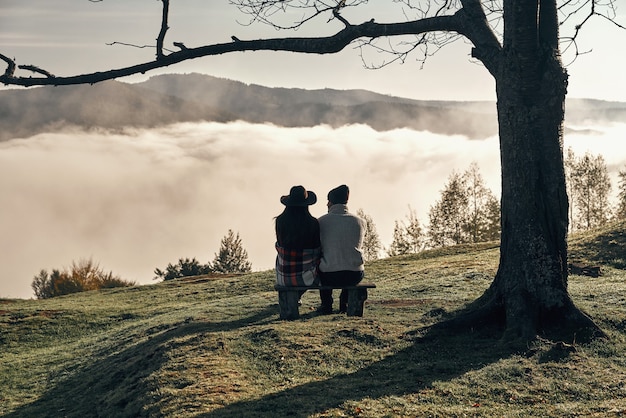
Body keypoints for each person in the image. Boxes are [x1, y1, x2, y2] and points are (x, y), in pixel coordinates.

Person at [317, 184, 365, 314]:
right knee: (346, 264)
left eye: (328, 201)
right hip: (355, 274)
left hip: (329, 275)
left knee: (322, 267)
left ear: (330, 202)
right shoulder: (359, 222)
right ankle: (344, 302)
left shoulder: (321, 222)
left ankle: (326, 304)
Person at [274, 185, 321, 291]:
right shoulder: (313, 223)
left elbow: (280, 243)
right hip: (307, 279)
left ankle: (291, 301)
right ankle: (326, 303)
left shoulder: (280, 221)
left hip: (284, 278)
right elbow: (317, 249)